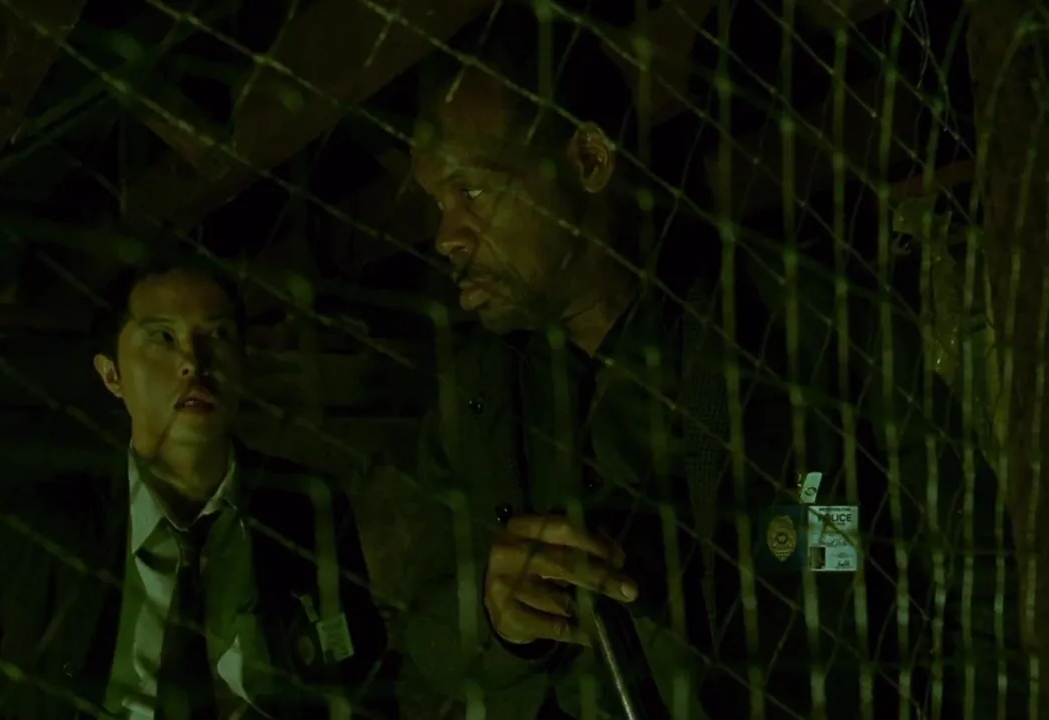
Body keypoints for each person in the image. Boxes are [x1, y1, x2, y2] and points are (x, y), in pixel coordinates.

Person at [397, 3, 1022, 719]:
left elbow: (964, 559)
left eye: (472, 190)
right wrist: (498, 618)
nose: (447, 236)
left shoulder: (797, 321)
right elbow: (420, 634)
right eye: (437, 205)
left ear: (589, 160)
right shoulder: (473, 410)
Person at [0, 257, 395, 719]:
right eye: (163, 338)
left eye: (217, 335)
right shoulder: (38, 522)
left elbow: (366, 681)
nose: (193, 362)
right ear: (112, 374)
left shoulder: (306, 508)